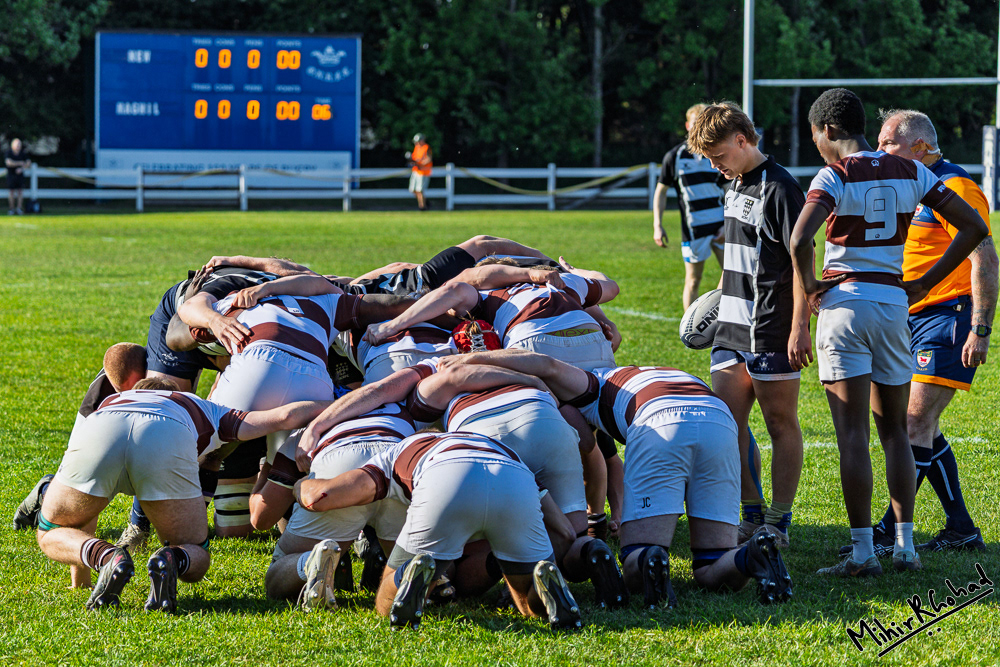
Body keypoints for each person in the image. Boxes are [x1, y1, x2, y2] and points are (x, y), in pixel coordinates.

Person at [790, 88, 988, 577]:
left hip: (845, 306)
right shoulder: (915, 172)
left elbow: (798, 239)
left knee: (852, 434)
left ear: (827, 131)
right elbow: (974, 228)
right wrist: (925, 279)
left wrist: (812, 284)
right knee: (897, 431)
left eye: (816, 136)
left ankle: (862, 555)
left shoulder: (834, 173)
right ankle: (905, 549)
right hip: (895, 306)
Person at [436, 349, 794, 608]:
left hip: (660, 419)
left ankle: (651, 558)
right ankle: (752, 557)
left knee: (638, 559)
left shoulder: (588, 382)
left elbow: (547, 371)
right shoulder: (647, 370)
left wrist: (470, 360)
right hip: (719, 419)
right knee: (710, 564)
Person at [35, 377, 329, 612]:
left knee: (53, 529)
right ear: (174, 391)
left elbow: (83, 517)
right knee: (194, 550)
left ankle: (108, 557)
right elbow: (286, 416)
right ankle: (173, 558)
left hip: (103, 425)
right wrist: (344, 404)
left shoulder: (113, 399)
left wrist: (81, 581)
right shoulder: (203, 406)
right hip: (168, 432)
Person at [856, 109, 996, 554]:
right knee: (923, 427)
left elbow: (985, 259)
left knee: (913, 422)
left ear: (919, 147)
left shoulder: (956, 187)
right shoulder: (920, 186)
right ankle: (960, 528)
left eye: (887, 144)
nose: (878, 152)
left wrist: (980, 327)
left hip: (949, 315)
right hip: (914, 317)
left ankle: (884, 531)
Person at [294, 430, 583, 630]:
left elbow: (324, 497)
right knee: (526, 604)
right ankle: (543, 586)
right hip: (514, 478)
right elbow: (566, 531)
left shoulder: (399, 451)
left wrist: (301, 486)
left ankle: (410, 575)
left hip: (444, 475)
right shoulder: (497, 446)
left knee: (384, 603)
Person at [686, 102, 812, 550]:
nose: (715, 165)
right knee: (725, 425)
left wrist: (800, 327)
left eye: (719, 155)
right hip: (732, 328)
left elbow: (802, 264)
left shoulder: (780, 189)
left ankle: (778, 522)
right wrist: (715, 304)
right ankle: (750, 513)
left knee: (780, 423)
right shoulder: (735, 184)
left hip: (772, 326)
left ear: (743, 139)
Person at [13, 343, 147, 531]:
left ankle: (140, 525)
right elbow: (79, 467)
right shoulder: (94, 407)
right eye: (123, 392)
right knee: (80, 493)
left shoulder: (159, 369)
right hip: (101, 434)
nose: (128, 397)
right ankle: (45, 491)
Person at [653, 103, 726, 310]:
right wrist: (657, 225)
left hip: (721, 226)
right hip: (694, 230)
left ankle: (733, 325)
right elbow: (661, 191)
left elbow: (731, 190)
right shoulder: (675, 156)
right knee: (693, 281)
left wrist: (728, 225)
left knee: (734, 277)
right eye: (696, 123)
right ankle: (691, 333)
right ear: (687, 125)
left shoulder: (718, 152)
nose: (699, 127)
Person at [5, 137, 31, 215]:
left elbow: (28, 163)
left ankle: (19, 208)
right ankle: (11, 209)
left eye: (19, 145)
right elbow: (8, 162)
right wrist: (20, 163)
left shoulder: (23, 153)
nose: (18, 146)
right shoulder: (9, 152)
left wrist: (22, 169)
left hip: (20, 176)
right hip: (11, 175)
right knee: (11, 192)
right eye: (17, 145)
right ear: (13, 145)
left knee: (20, 191)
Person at [408, 133, 433, 211]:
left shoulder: (426, 147)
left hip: (423, 172)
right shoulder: (417, 148)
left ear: (422, 140)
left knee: (420, 190)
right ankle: (426, 202)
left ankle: (422, 207)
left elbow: (429, 159)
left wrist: (421, 164)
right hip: (416, 171)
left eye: (418, 141)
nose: (416, 143)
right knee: (413, 190)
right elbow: (415, 159)